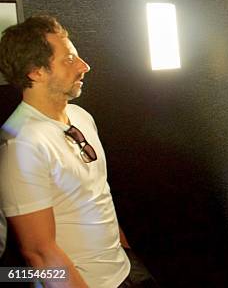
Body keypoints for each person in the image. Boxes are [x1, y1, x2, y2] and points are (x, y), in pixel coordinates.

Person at [0, 15, 156, 287]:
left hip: (126, 269)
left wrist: (126, 253)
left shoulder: (80, 116)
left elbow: (97, 194)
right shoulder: (21, 144)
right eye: (69, 60)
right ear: (35, 71)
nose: (85, 66)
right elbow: (39, 253)